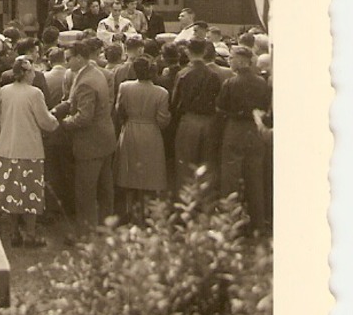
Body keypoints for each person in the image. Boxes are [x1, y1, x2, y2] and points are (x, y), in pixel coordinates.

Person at [0, 56, 59, 248]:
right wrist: (55, 120)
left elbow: (0, 116)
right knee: (30, 192)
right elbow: (45, 121)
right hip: (29, 148)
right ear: (27, 73)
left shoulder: (4, 91)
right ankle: (30, 234)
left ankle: (14, 232)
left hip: (6, 146)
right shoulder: (35, 93)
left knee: (11, 192)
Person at [52, 39, 117, 234]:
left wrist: (61, 123)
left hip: (90, 143)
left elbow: (84, 117)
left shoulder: (85, 81)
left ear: (79, 58)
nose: (66, 63)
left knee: (85, 191)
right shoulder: (93, 72)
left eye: (68, 59)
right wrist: (58, 109)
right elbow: (73, 101)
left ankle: (85, 233)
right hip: (104, 139)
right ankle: (106, 227)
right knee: (105, 187)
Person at [217, 45, 271, 233]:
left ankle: (230, 223)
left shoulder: (231, 83)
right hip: (255, 129)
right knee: (255, 178)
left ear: (241, 61)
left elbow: (221, 108)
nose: (230, 61)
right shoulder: (262, 82)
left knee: (230, 178)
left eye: (232, 58)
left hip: (235, 128)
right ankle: (258, 222)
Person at [115, 55, 170, 224]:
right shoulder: (161, 93)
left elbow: (119, 110)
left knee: (129, 171)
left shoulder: (125, 87)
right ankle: (147, 213)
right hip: (151, 132)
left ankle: (129, 211)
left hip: (130, 130)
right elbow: (162, 120)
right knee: (150, 174)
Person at [170, 38, 223, 194]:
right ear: (205, 52)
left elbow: (175, 102)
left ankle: (186, 206)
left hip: (189, 121)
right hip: (209, 122)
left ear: (187, 51)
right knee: (206, 166)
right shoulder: (213, 74)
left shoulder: (183, 74)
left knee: (185, 167)